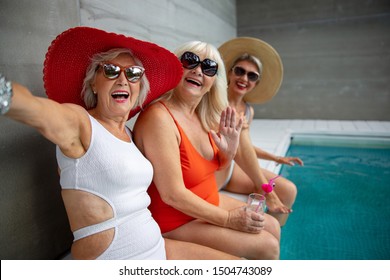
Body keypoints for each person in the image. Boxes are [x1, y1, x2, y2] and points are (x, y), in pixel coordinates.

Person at [0, 27, 240, 260]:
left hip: (157, 248)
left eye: (134, 73)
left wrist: (226, 155)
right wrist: (5, 93)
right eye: (111, 70)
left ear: (139, 88)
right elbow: (36, 109)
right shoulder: (80, 123)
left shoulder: (127, 132)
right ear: (94, 83)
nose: (124, 79)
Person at [133, 41, 281, 260]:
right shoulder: (159, 118)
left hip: (206, 202)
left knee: (273, 226)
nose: (198, 70)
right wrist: (229, 219)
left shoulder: (203, 115)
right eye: (190, 61)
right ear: (176, 66)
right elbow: (172, 195)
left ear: (214, 81)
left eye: (209, 67)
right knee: (266, 246)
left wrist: (228, 153)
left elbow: (217, 168)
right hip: (175, 219)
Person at [217, 37, 304, 226]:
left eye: (252, 76)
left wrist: (276, 158)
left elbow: (244, 146)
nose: (244, 79)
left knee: (289, 190)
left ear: (256, 82)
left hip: (232, 169)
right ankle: (267, 192)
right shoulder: (215, 101)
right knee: (268, 187)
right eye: (239, 71)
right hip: (214, 168)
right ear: (230, 73)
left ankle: (276, 236)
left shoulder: (248, 110)